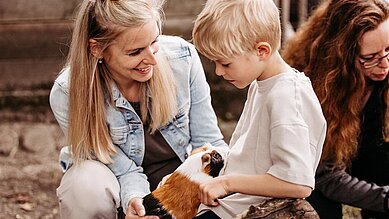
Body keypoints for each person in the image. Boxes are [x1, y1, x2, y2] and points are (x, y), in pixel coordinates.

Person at [49, 0, 227, 218]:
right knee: (83, 184)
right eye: (135, 52)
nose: (152, 59)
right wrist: (138, 201)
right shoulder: (68, 92)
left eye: (154, 41)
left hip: (176, 183)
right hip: (118, 186)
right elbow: (120, 168)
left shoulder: (183, 58)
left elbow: (209, 143)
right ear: (97, 49)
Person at [191, 0, 327, 218]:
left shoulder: (284, 97)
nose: (217, 71)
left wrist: (227, 183)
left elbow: (297, 183)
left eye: (225, 63)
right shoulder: (262, 84)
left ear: (261, 50)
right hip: (230, 204)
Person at [282, 0, 389, 218]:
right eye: (369, 58)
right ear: (342, 55)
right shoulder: (315, 89)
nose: (385, 64)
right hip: (326, 179)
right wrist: (384, 200)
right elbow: (326, 176)